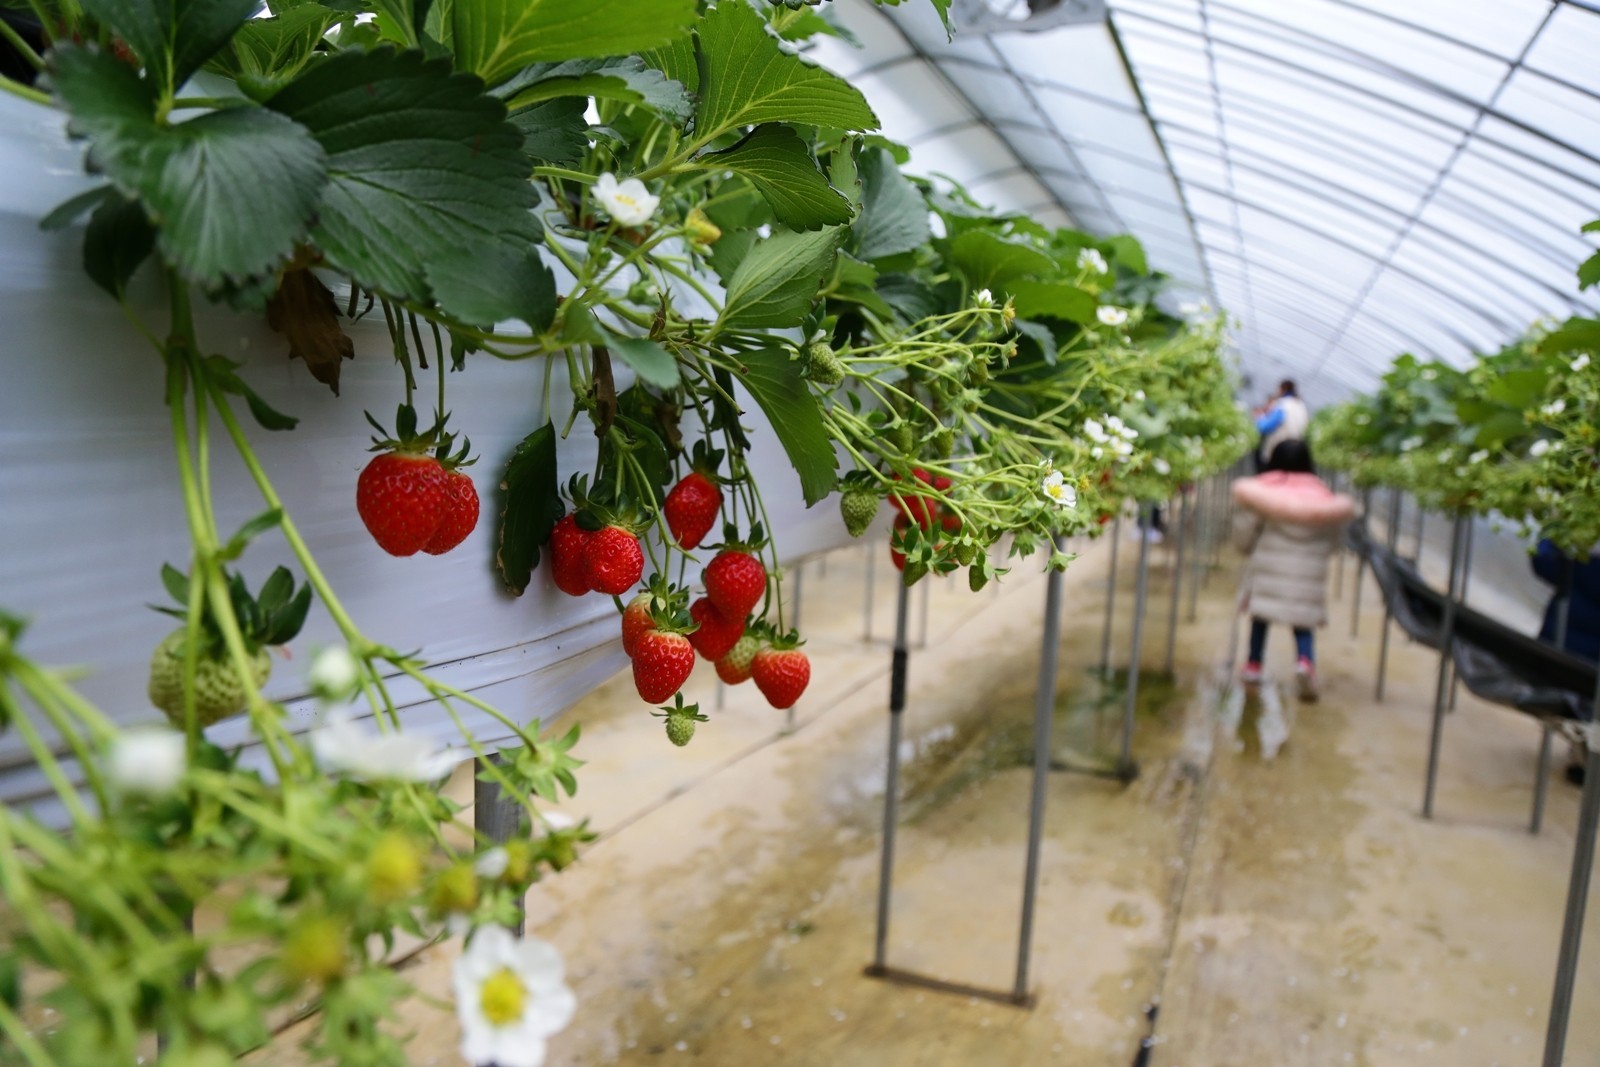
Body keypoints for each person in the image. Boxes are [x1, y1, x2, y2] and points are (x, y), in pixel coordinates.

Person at [1232, 439, 1356, 701]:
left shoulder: (1265, 492)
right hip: (1307, 572)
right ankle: (1304, 662)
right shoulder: (1322, 494)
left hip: (1269, 567)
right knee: (1303, 621)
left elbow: (1247, 529)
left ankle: (1254, 665)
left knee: (1261, 617)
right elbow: (1333, 539)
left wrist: (1243, 547)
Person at [1530, 540, 1600, 783]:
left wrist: (1554, 531)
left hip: (1551, 665)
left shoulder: (1577, 550)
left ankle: (1581, 749)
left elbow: (1541, 563)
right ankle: (1585, 753)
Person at [1254, 380, 1310, 472]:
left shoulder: (1282, 405)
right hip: (1298, 453)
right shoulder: (1301, 405)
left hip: (1280, 453)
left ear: (1282, 389)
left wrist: (1259, 418)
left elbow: (1266, 426)